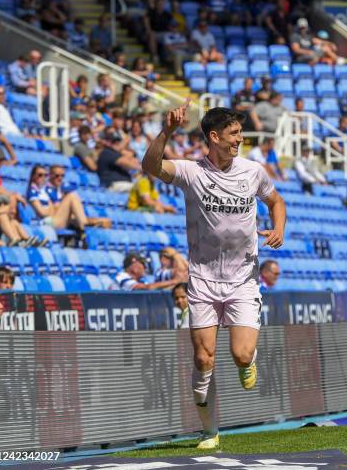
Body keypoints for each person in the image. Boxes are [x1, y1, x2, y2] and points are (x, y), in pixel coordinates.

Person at [142, 102, 286, 450]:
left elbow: (276, 201)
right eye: (235, 133)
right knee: (203, 357)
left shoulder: (253, 171)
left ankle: (247, 360)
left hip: (243, 279)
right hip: (203, 280)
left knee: (239, 354)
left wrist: (279, 227)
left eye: (241, 133)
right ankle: (210, 431)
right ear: (214, 136)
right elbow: (149, 166)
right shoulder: (192, 172)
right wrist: (168, 131)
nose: (240, 139)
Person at [27, 165, 91, 235]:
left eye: (45, 175)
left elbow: (52, 208)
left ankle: (85, 227)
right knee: (71, 196)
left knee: (101, 221)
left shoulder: (43, 192)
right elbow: (43, 213)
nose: (43, 178)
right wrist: (53, 207)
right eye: (40, 175)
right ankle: (84, 229)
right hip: (46, 223)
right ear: (33, 176)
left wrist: (53, 207)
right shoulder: (33, 192)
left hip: (54, 219)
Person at [45, 166, 110, 228]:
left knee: (105, 221)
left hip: (65, 220)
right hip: (50, 222)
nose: (60, 178)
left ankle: (86, 225)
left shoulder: (61, 190)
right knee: (72, 196)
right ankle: (84, 224)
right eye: (57, 175)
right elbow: (50, 212)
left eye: (62, 176)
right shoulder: (45, 190)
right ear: (50, 175)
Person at [97, 128, 141, 192]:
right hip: (113, 185)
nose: (117, 143)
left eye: (118, 141)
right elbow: (127, 163)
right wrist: (142, 168)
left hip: (122, 185)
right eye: (114, 142)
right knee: (141, 189)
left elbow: (133, 160)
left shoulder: (116, 153)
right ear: (108, 142)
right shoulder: (106, 152)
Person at [115, 251, 180, 291]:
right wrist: (174, 281)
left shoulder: (142, 281)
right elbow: (148, 287)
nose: (145, 267)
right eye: (143, 263)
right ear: (134, 266)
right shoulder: (121, 277)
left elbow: (154, 288)